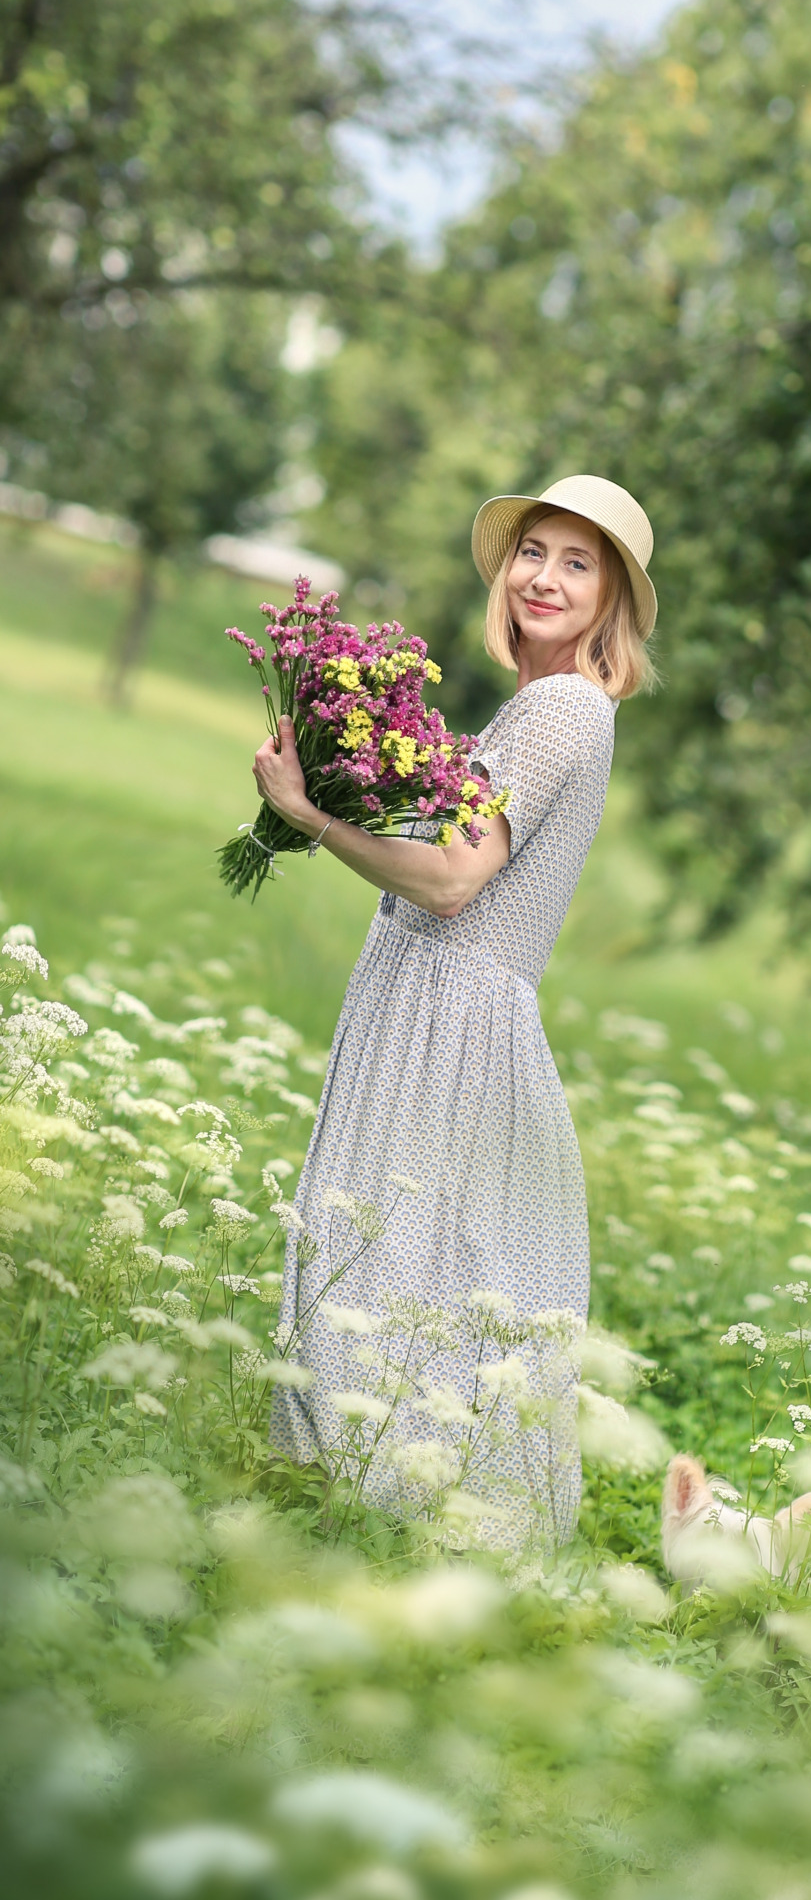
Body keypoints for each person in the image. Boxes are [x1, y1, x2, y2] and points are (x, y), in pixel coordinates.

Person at [249, 475, 658, 1551]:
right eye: (535, 550)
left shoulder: (562, 706)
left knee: (395, 1260)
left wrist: (304, 816)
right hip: (427, 999)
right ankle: (373, 1518)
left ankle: (387, 1518)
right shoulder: (528, 709)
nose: (546, 577)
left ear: (611, 599)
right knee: (408, 1258)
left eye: (580, 563)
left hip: (454, 1009)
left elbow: (448, 883)